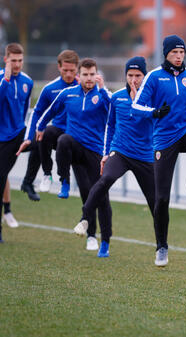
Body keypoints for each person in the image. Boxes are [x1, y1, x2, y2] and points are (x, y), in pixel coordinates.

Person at [73, 56, 161, 258]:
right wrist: (106, 153)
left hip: (145, 156)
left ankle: (161, 246)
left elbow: (159, 123)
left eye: (138, 75)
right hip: (120, 151)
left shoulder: (153, 99)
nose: (134, 80)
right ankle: (86, 219)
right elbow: (110, 125)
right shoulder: (117, 98)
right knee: (105, 180)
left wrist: (142, 103)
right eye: (130, 75)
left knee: (155, 202)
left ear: (145, 77)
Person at [132, 35, 186, 266]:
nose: (179, 56)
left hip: (185, 133)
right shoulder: (154, 77)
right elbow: (136, 108)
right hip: (163, 141)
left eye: (182, 52)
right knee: (162, 198)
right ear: (166, 53)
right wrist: (154, 112)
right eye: (174, 52)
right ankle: (161, 247)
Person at [37, 58, 113, 251]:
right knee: (63, 140)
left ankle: (103, 241)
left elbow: (113, 112)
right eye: (85, 74)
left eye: (92, 74)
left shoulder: (103, 95)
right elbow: (49, 111)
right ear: (79, 76)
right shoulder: (67, 94)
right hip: (76, 148)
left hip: (96, 151)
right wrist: (39, 127)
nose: (89, 78)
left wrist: (103, 90)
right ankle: (64, 181)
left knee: (99, 197)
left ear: (97, 76)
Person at [23, 50, 79, 193]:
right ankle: (47, 174)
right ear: (59, 67)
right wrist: (29, 137)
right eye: (65, 70)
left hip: (79, 135)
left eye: (72, 70)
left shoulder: (85, 85)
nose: (68, 74)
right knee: (44, 134)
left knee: (87, 183)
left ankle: (67, 181)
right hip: (59, 132)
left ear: (77, 68)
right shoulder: (50, 89)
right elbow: (37, 112)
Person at [0, 42, 37, 242]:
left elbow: (26, 109)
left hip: (17, 134)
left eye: (20, 60)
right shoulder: (1, 79)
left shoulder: (28, 82)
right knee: (1, 177)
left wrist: (26, 131)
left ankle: (28, 182)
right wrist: (6, 79)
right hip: (1, 137)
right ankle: (5, 217)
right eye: (13, 60)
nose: (17, 64)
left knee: (43, 141)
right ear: (6, 60)